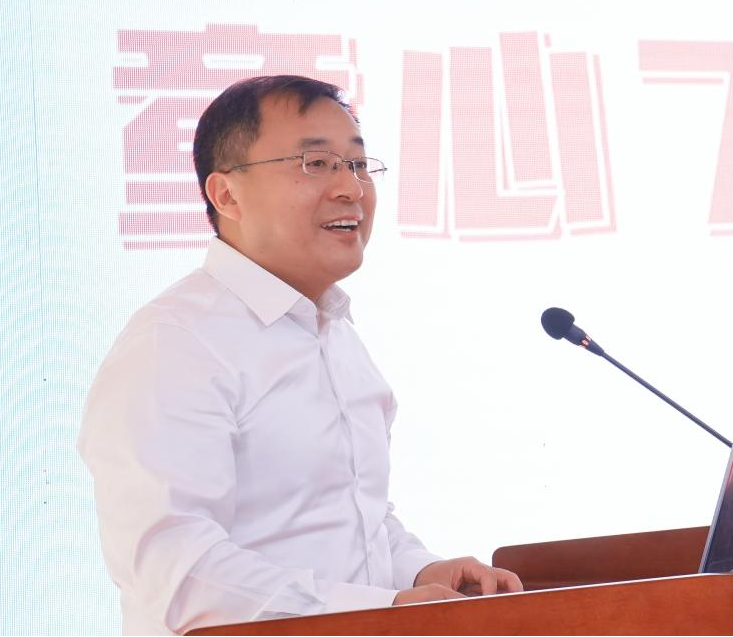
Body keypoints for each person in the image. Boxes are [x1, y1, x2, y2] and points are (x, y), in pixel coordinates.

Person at [78, 75, 522, 635]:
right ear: (226, 195)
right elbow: (178, 573)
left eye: (357, 164)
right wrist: (382, 611)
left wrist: (422, 572)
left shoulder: (334, 332)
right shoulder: (174, 343)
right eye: (316, 164)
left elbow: (357, 519)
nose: (350, 188)